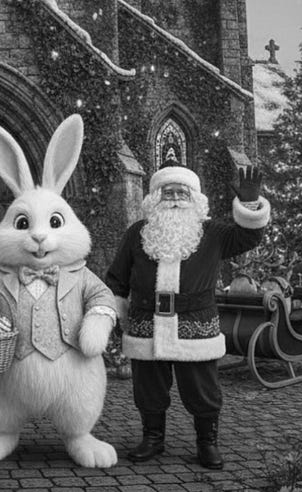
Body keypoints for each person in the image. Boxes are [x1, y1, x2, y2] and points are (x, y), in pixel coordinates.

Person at [105, 164, 270, 469]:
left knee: (202, 388)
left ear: (195, 198)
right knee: (148, 387)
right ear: (155, 197)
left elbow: (248, 238)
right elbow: (117, 278)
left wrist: (249, 205)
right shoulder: (137, 233)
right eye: (168, 192)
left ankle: (207, 442)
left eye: (182, 192)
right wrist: (114, 312)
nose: (175, 198)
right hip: (146, 323)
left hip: (196, 324)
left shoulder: (213, 233)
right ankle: (153, 438)